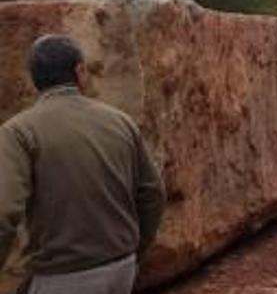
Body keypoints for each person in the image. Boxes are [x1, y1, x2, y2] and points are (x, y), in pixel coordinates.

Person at [0, 35, 166, 294]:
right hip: (121, 267)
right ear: (80, 71)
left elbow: (4, 212)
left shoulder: (19, 132)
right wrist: (135, 250)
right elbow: (153, 194)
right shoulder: (120, 121)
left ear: (34, 79)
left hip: (63, 276)